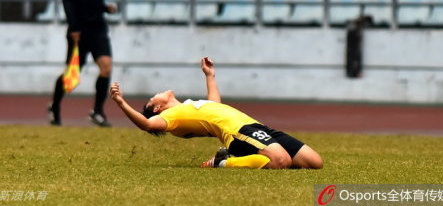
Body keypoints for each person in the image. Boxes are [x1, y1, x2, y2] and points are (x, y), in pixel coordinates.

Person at [109, 57, 324, 169]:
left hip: (256, 126)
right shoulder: (171, 117)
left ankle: (247, 157)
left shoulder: (191, 106)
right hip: (239, 132)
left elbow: (215, 105)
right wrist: (120, 103)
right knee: (281, 161)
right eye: (151, 99)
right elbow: (147, 125)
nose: (154, 94)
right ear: (157, 108)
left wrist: (210, 76)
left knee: (314, 162)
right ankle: (223, 162)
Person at [47, 0, 116, 127]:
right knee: (72, 74)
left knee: (106, 67)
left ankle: (97, 111)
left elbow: (90, 1)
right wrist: (74, 26)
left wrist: (104, 8)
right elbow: (67, 1)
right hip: (80, 32)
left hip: (98, 29)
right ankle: (54, 106)